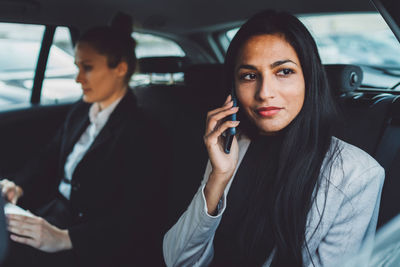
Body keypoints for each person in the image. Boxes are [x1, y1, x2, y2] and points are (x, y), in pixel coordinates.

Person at [163, 10, 385, 267]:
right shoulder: (231, 146)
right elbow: (178, 260)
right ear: (233, 89)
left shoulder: (357, 174)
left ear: (308, 79)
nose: (265, 93)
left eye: (284, 72)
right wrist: (218, 178)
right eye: (249, 76)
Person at [1, 13, 168, 267]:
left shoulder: (142, 132)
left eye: (87, 67)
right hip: (53, 213)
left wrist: (64, 238)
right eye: (77, 67)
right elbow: (49, 156)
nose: (78, 79)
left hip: (90, 241)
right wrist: (18, 185)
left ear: (120, 68)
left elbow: (134, 217)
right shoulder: (82, 109)